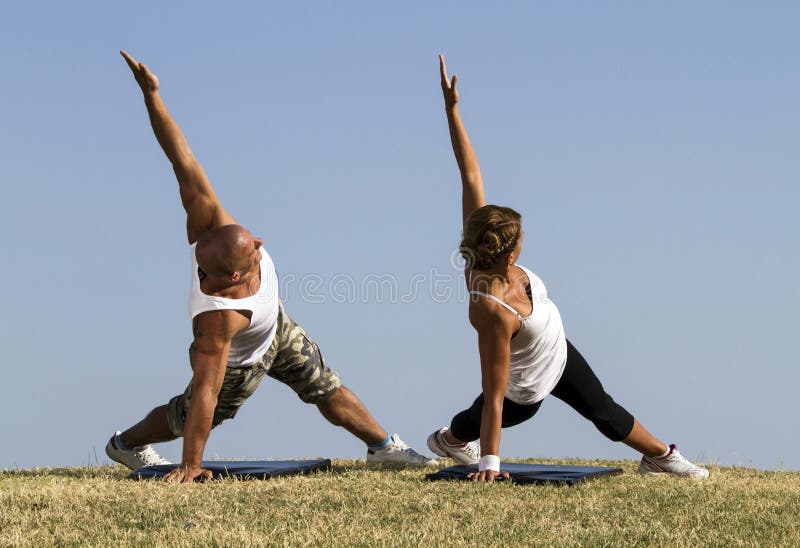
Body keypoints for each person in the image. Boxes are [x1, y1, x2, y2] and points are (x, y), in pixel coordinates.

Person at [106, 51, 434, 482]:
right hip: (238, 362)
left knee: (324, 385)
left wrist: (151, 95)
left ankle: (383, 448)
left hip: (274, 326)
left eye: (210, 274)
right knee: (184, 415)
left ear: (250, 255)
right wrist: (190, 464)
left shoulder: (230, 238)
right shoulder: (216, 318)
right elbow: (208, 387)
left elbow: (181, 156)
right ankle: (125, 444)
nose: (200, 277)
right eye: (200, 269)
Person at [425, 55, 709, 482]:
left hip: (557, 351)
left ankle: (659, 456)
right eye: (521, 237)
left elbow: (470, 173)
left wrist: (452, 111)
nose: (526, 239)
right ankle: (452, 439)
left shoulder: (485, 241)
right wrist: (490, 464)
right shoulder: (492, 310)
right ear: (509, 256)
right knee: (485, 414)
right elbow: (496, 391)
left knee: (604, 411)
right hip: (527, 387)